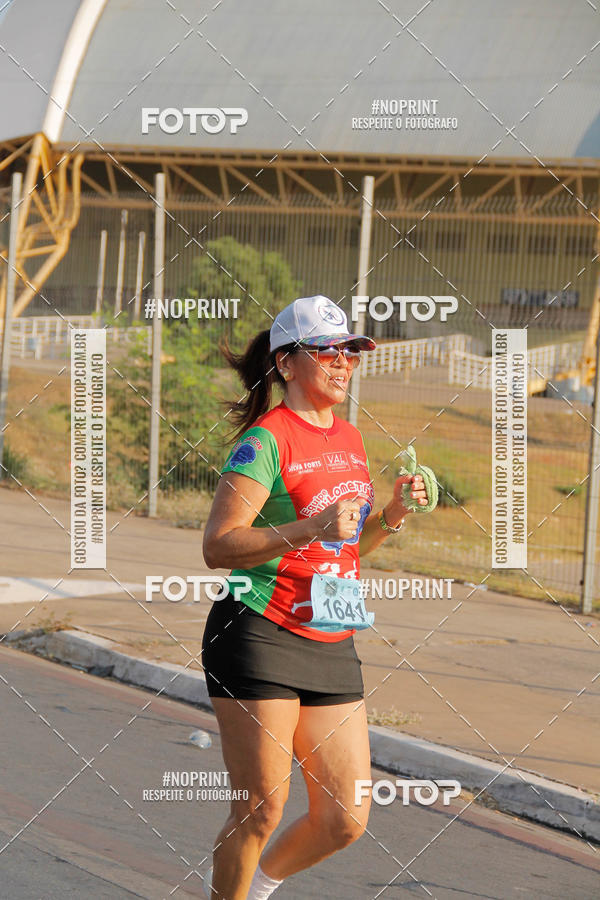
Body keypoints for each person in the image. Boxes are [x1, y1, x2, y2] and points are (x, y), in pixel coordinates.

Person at [201, 295, 431, 899]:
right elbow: (219, 546)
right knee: (260, 812)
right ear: (286, 364)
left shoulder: (351, 439)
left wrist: (392, 514)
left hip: (331, 635)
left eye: (350, 350)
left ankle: (262, 886)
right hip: (260, 632)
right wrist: (309, 528)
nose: (343, 362)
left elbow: (348, 546)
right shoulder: (264, 441)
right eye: (327, 351)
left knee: (344, 819)